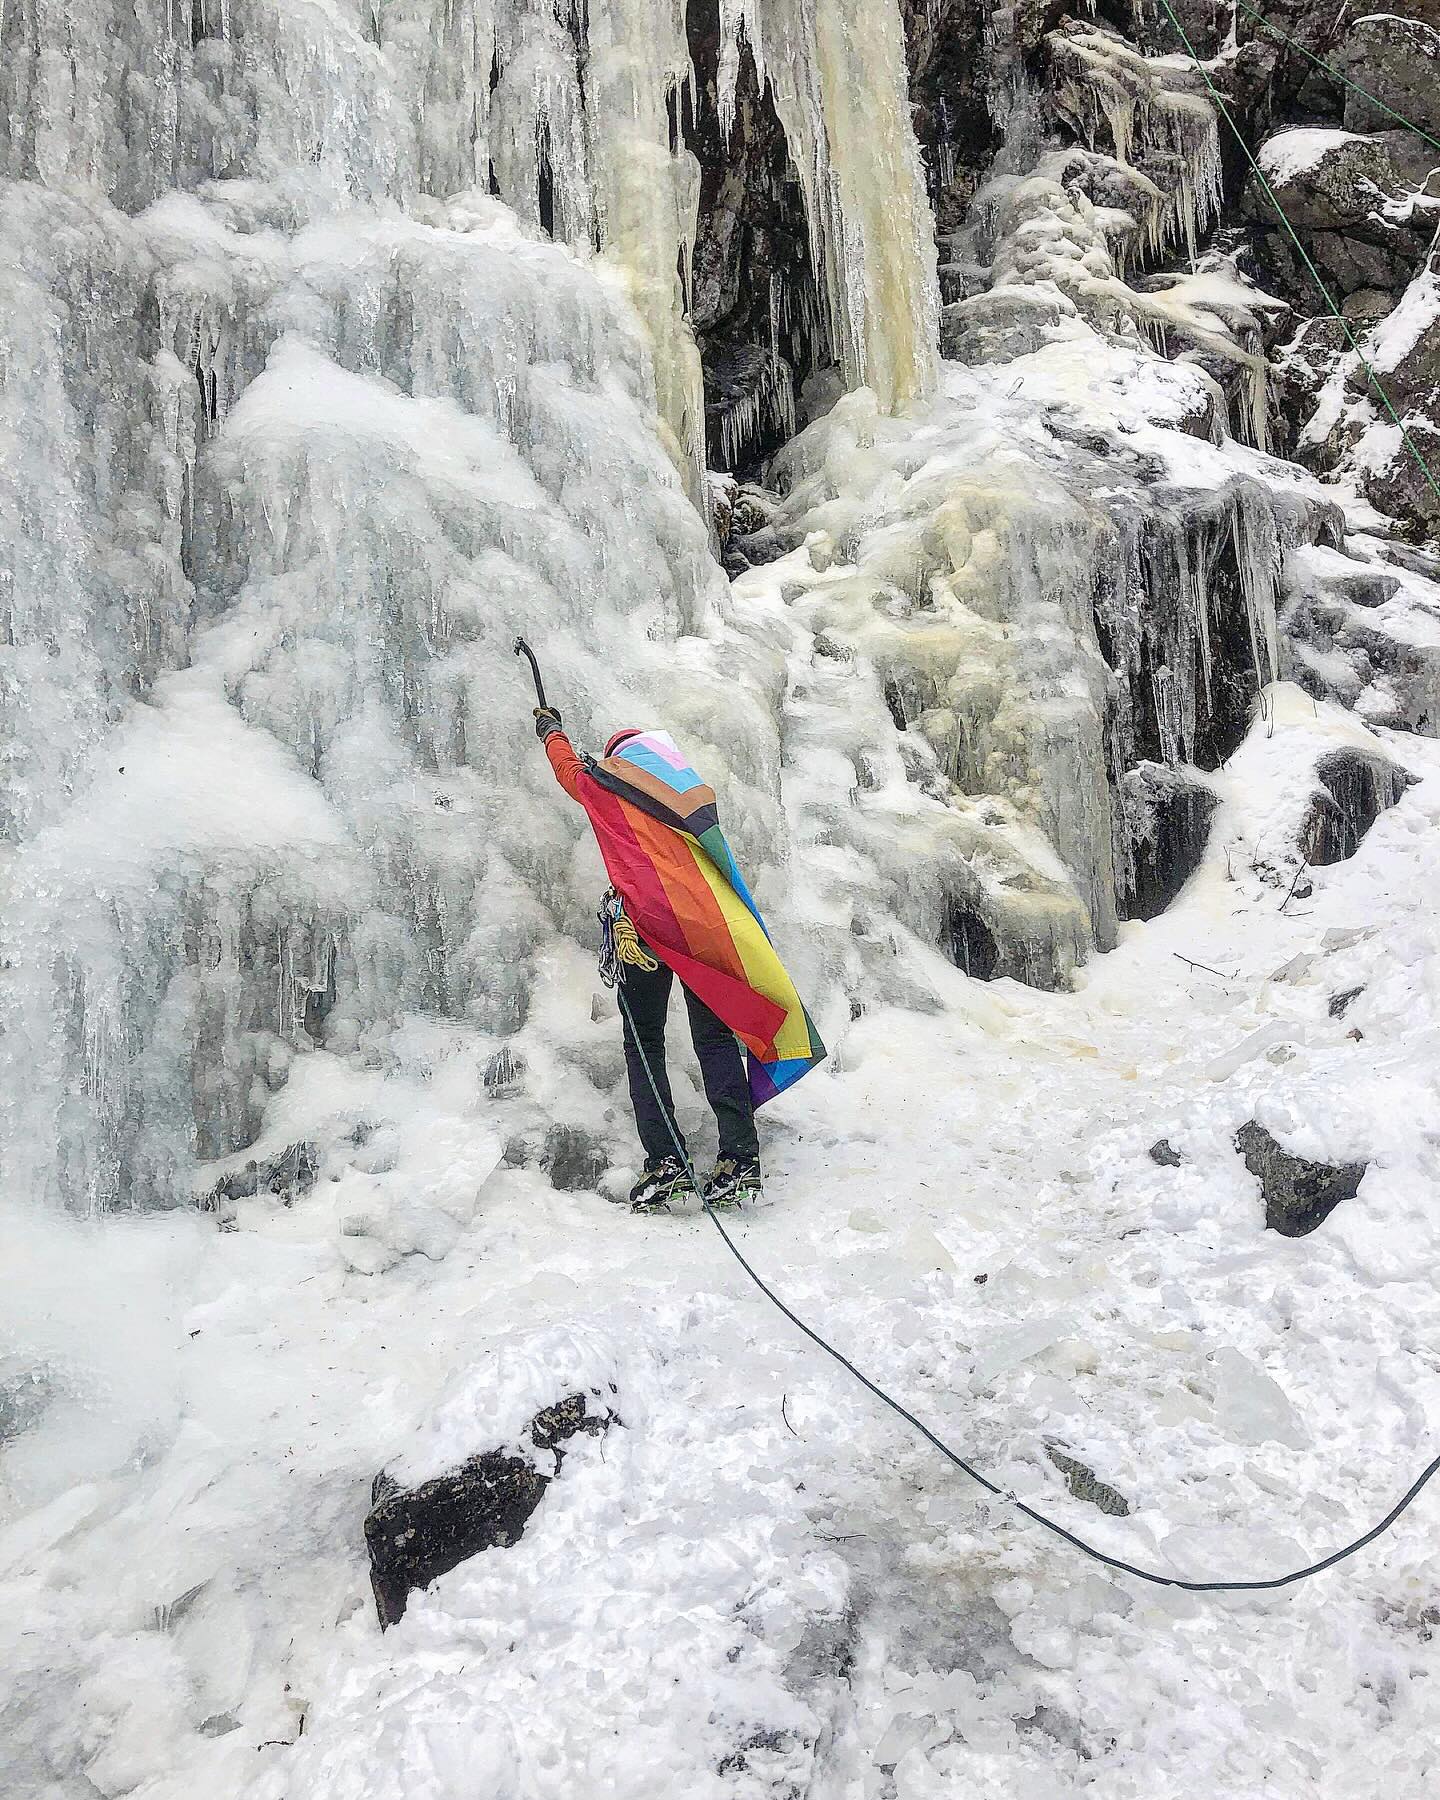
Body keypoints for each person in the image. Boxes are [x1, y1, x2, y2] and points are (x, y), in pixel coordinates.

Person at [533, 705, 824, 1213]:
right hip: (702, 931)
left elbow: (568, 773)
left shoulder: (606, 787)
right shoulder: (691, 801)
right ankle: (740, 1158)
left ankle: (666, 1165)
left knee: (643, 1041)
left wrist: (551, 732)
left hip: (640, 931)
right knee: (713, 1038)